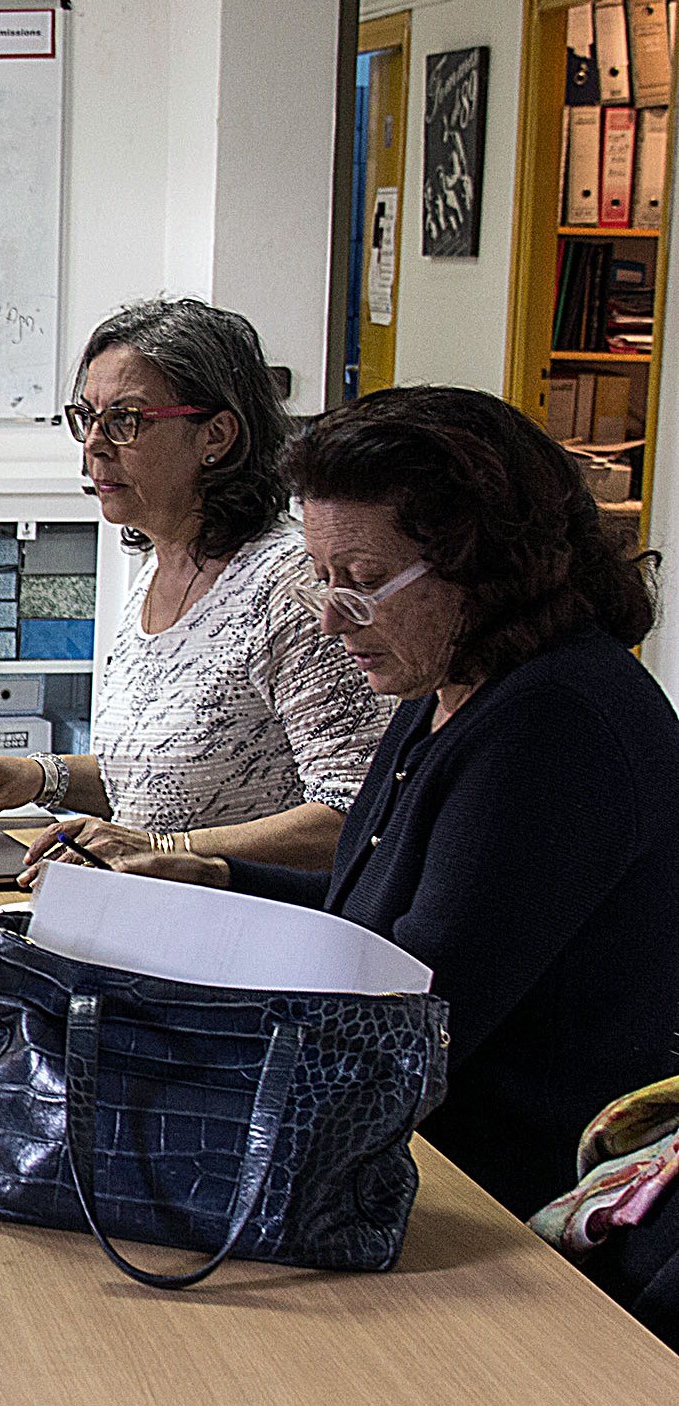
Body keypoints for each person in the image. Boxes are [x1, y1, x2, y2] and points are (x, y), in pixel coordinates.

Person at [98, 386, 679, 1219]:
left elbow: (410, 1011)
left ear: (485, 565)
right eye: (322, 581)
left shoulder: (555, 725)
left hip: (496, 1193)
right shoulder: (448, 677)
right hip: (419, 1150)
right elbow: (378, 914)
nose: (333, 621)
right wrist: (211, 875)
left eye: (362, 582)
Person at [0, 299, 391, 867]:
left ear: (216, 436)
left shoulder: (291, 590)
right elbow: (161, 777)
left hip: (241, 932)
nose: (94, 445)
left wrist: (166, 850)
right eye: (88, 417)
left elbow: (358, 816)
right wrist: (37, 775)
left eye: (126, 421)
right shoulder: (160, 567)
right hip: (150, 914)